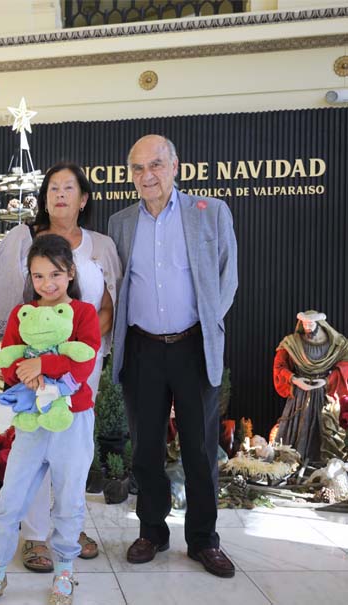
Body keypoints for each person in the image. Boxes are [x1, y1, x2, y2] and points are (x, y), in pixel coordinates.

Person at [107, 134, 238, 578]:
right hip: (142, 347)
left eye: (156, 165)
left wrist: (206, 321)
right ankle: (152, 531)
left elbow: (227, 277)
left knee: (200, 450)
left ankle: (204, 540)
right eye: (139, 169)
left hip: (193, 346)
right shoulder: (120, 222)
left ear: (176, 166)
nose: (148, 176)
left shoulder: (210, 212)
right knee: (145, 447)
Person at [0, 162, 121, 570]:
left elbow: (109, 307)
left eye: (69, 187)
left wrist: (76, 352)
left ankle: (67, 526)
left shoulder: (101, 245)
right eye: (53, 188)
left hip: (81, 365)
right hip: (32, 368)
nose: (60, 194)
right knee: (33, 443)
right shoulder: (24, 240)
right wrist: (34, 364)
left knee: (69, 447)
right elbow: (13, 307)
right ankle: (34, 534)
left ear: (83, 198)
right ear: (44, 198)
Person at [0, 234, 100, 605]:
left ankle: (64, 574)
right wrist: (29, 375)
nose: (47, 284)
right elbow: (8, 362)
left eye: (56, 275)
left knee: (69, 502)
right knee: (10, 500)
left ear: (71, 273)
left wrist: (42, 363)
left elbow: (84, 360)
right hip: (31, 421)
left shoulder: (84, 313)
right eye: (39, 276)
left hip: (73, 420)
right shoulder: (21, 315)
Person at [273, 310, 348, 462]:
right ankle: (294, 465)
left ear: (319, 324)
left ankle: (323, 466)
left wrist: (326, 381)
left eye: (310, 324)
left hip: (325, 395)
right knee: (297, 431)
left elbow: (345, 366)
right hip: (300, 395)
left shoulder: (336, 344)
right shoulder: (292, 343)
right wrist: (294, 379)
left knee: (324, 429)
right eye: (304, 324)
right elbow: (279, 366)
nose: (307, 327)